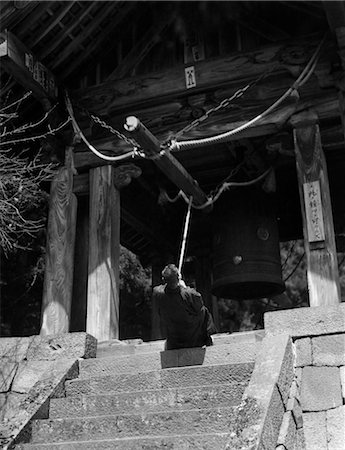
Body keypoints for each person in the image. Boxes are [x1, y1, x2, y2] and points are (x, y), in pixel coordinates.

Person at [152, 264, 217, 350]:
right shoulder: (189, 294)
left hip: (174, 336)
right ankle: (206, 339)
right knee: (204, 311)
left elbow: (161, 289)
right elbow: (199, 305)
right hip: (191, 337)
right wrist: (184, 287)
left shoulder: (157, 292)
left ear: (163, 279)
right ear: (178, 277)